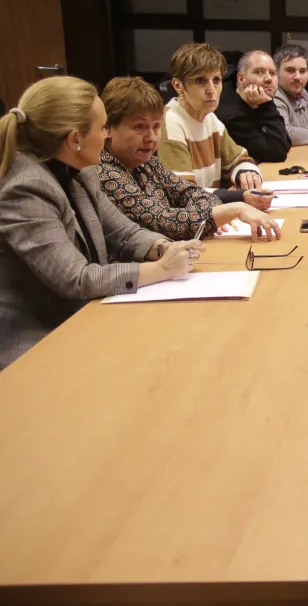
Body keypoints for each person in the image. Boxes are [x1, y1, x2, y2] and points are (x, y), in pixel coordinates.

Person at [0, 77, 201, 370]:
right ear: (74, 139)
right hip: (34, 339)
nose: (106, 135)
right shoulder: (27, 188)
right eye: (103, 127)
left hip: (81, 318)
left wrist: (164, 248)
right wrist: (161, 269)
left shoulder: (79, 171)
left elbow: (123, 231)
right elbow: (75, 278)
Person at [98, 77, 280, 242]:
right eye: (139, 127)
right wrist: (232, 210)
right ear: (108, 128)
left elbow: (189, 191)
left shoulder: (145, 162)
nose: (152, 138)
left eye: (156, 127)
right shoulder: (105, 172)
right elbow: (162, 221)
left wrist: (209, 215)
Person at [159, 43, 271, 211]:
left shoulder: (210, 119)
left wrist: (247, 173)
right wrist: (240, 198)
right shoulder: (170, 122)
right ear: (178, 85)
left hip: (208, 214)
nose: (211, 90)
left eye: (216, 80)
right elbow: (183, 194)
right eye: (200, 80)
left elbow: (240, 160)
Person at [214, 50, 291, 163]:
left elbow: (286, 142)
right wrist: (267, 105)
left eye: (273, 73)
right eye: (259, 72)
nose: (269, 79)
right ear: (241, 79)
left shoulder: (258, 100)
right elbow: (278, 152)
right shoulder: (232, 114)